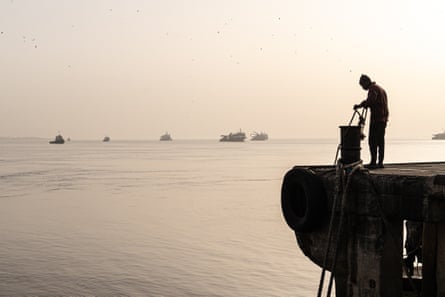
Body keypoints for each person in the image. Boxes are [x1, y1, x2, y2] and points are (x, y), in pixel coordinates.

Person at [354, 74, 389, 169]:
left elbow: (371, 101)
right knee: (380, 141)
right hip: (383, 119)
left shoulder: (373, 89)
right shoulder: (381, 89)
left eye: (362, 85)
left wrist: (360, 105)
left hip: (377, 119)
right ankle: (380, 162)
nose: (363, 88)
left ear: (366, 82)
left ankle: (374, 162)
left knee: (372, 141)